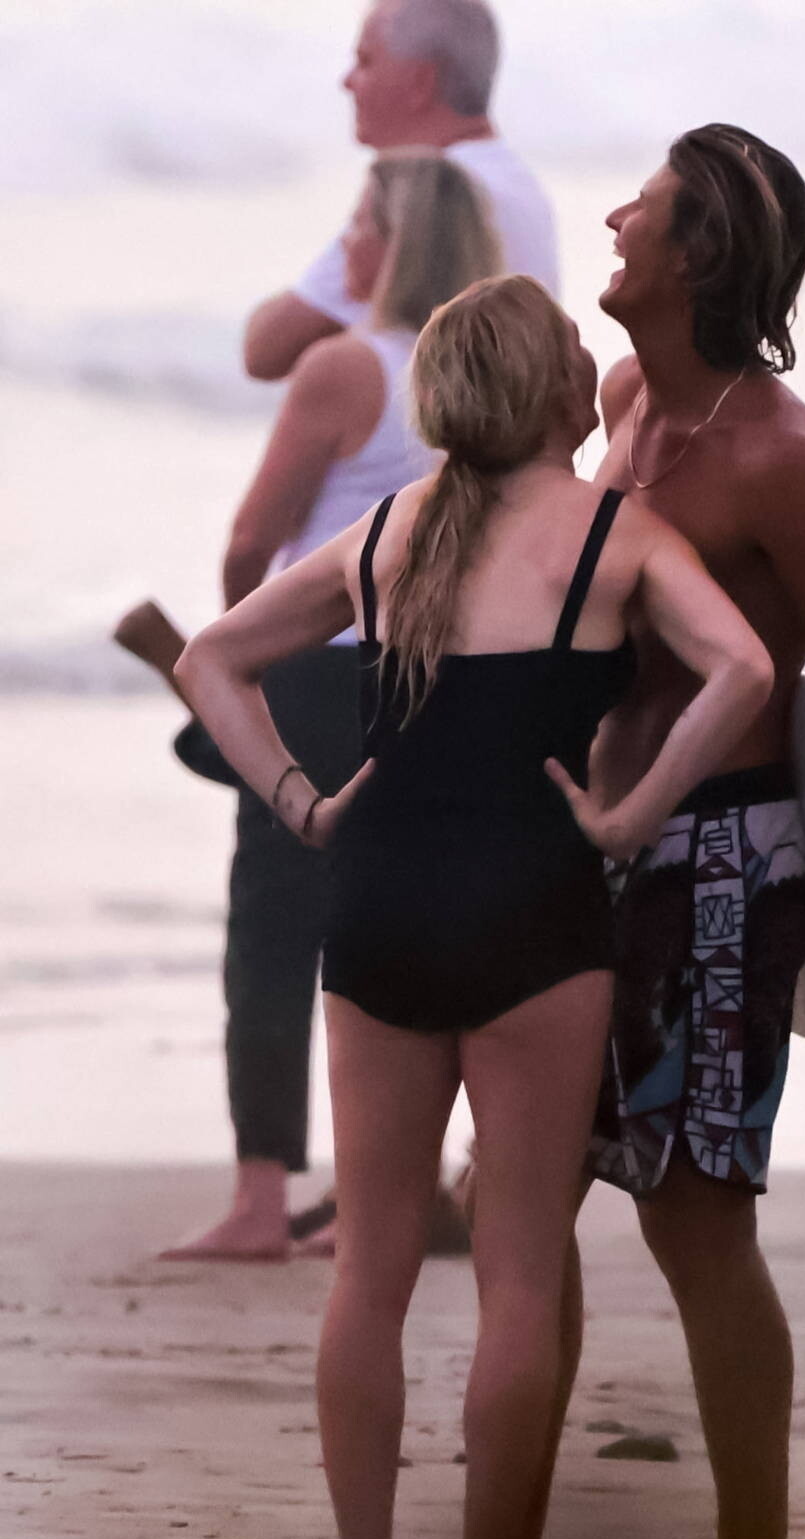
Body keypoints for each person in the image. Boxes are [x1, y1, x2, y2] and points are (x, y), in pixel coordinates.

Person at [323, 125, 805, 1539]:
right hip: (585, 862)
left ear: (702, 253)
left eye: (646, 209)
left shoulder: (777, 458)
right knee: (524, 1207)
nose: (612, 219)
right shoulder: (617, 404)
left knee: (697, 1223)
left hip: (722, 862)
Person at [173, 273, 775, 1539]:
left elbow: (212, 657)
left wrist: (296, 802)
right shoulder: (613, 535)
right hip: (536, 920)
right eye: (573, 349)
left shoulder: (387, 531)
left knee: (369, 1275)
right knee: (517, 1274)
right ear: (548, 390)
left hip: (377, 909)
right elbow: (742, 669)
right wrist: (633, 814)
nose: (589, 360)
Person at [152, 155, 501, 1261]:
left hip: (319, 674)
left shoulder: (345, 366)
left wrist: (242, 659)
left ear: (395, 244)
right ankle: (382, 1192)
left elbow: (255, 540)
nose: (343, 245)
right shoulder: (488, 383)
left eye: (358, 224)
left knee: (274, 928)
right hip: (437, 680)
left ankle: (263, 1198)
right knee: (400, 932)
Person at [243, 0, 557, 385]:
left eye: (365, 61)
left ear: (420, 83)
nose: (347, 81)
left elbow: (264, 350)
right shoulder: (519, 186)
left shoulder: (426, 193)